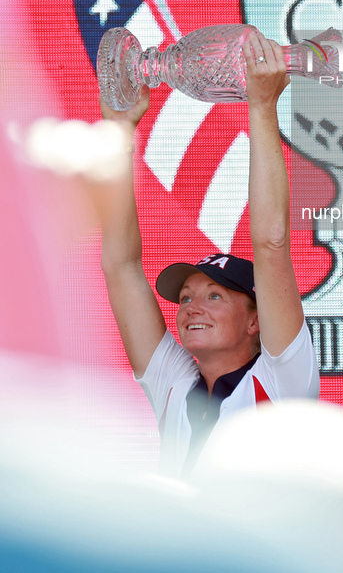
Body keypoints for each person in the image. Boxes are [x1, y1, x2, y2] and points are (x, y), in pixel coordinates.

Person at [99, 30, 320, 478]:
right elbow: (121, 266)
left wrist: (262, 107)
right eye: (185, 298)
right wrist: (120, 132)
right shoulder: (176, 385)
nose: (190, 308)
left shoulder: (283, 380)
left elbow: (272, 244)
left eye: (214, 296)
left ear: (256, 320)